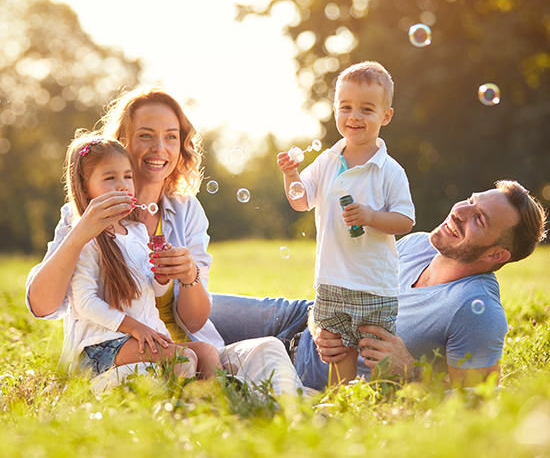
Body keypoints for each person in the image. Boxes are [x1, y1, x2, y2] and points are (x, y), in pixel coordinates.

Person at [27, 87, 303, 395]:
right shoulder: (83, 214)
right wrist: (79, 233)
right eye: (146, 135)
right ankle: (223, 403)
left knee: (268, 349)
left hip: (185, 348)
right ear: (122, 143)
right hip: (119, 355)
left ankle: (297, 418)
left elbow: (195, 320)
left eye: (171, 137)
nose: (160, 148)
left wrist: (189, 276)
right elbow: (42, 306)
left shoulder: (186, 211)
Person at [209, 180, 547, 390]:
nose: (460, 210)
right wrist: (318, 319)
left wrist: (412, 373)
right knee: (186, 306)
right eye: (471, 201)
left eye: (479, 219)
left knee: (195, 360)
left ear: (497, 254)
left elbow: (478, 406)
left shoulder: (478, 311)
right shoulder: (417, 244)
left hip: (311, 369)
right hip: (298, 317)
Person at [277, 61, 415, 385]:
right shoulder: (327, 160)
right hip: (332, 279)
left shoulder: (389, 171)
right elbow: (300, 200)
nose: (354, 117)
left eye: (367, 109)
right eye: (346, 107)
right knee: (338, 352)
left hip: (374, 283)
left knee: (377, 352)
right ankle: (341, 404)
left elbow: (405, 220)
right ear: (336, 110)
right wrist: (290, 175)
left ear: (386, 116)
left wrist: (371, 217)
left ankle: (387, 400)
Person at [60, 132, 222, 380]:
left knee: (206, 352)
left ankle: (214, 410)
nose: (123, 185)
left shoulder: (136, 231)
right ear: (85, 186)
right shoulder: (84, 237)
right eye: (109, 178)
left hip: (138, 336)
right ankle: (180, 414)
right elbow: (85, 302)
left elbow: (153, 291)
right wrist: (135, 327)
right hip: (101, 345)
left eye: (127, 176)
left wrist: (162, 276)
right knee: (183, 357)